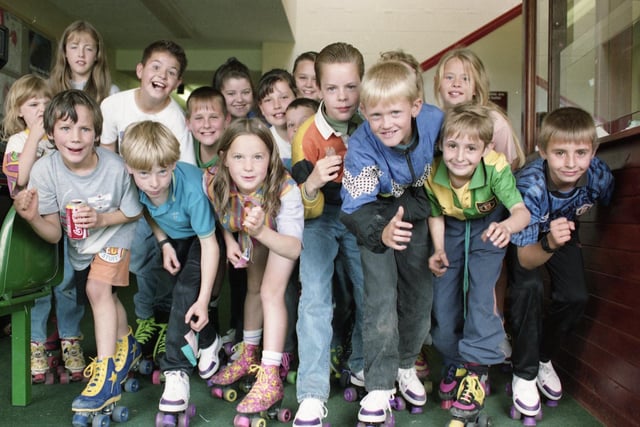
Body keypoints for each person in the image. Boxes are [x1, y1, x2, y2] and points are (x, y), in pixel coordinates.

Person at [13, 89, 142, 417]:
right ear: (51, 132)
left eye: (84, 129)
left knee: (96, 289)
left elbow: (132, 213)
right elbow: (55, 232)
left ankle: (106, 374)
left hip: (115, 231)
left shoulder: (115, 167)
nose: (75, 137)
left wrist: (100, 219)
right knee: (107, 298)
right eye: (65, 128)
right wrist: (32, 218)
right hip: (81, 245)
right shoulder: (44, 171)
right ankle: (127, 344)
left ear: (97, 134)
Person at [339, 60, 442, 424]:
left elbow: (467, 147)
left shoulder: (435, 122)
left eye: (396, 112)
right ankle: (379, 386)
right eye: (376, 115)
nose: (386, 124)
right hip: (376, 218)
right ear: (364, 112)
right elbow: (354, 208)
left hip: (417, 209)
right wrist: (380, 232)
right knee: (381, 298)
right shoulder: (363, 147)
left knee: (418, 295)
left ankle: (404, 363)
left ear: (415, 107)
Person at [425, 103, 531, 422]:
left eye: (471, 148)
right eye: (452, 145)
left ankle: (475, 373)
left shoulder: (496, 168)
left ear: (485, 149)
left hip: (490, 227)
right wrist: (438, 250)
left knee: (481, 295)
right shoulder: (433, 173)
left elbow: (521, 213)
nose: (460, 156)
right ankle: (455, 361)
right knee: (443, 304)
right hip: (452, 228)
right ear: (441, 144)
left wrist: (506, 227)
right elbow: (435, 215)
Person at [507, 107, 614, 418]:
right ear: (542, 152)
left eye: (581, 152)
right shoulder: (530, 186)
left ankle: (542, 357)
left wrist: (565, 238)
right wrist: (549, 242)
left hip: (562, 228)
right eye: (560, 153)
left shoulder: (599, 176)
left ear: (594, 151)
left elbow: (610, 207)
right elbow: (526, 260)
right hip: (523, 233)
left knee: (575, 296)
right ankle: (524, 374)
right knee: (528, 289)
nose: (571, 163)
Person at [120, 120, 223, 417]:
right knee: (169, 292)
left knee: (185, 293)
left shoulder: (191, 189)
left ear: (174, 164)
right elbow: (146, 210)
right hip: (174, 237)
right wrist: (163, 242)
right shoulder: (132, 186)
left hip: (203, 239)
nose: (154, 182)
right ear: (129, 168)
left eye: (162, 172)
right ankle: (208, 339)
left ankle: (175, 371)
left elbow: (210, 246)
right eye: (144, 174)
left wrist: (204, 302)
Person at [100, 39, 194, 361]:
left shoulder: (176, 120)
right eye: (156, 67)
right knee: (140, 261)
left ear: (177, 83)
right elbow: (108, 156)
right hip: (126, 197)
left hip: (163, 198)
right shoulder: (113, 106)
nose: (162, 76)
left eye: (171, 72)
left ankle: (164, 319)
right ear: (140, 70)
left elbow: (183, 172)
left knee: (165, 258)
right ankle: (144, 320)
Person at [205, 118, 303, 419]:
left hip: (279, 235)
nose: (248, 167)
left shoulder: (287, 190)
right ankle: (248, 355)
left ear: (271, 158)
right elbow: (220, 213)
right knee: (252, 288)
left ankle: (270, 375)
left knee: (271, 293)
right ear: (224, 159)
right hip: (252, 231)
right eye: (238, 157)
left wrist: (260, 233)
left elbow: (292, 247)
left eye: (258, 157)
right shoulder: (212, 179)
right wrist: (230, 240)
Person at [290, 41, 365, 427]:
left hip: (360, 216)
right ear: (317, 89)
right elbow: (301, 206)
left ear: (362, 85)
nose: (342, 97)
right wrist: (314, 184)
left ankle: (361, 367)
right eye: (333, 88)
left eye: (351, 86)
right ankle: (312, 394)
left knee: (370, 291)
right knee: (316, 299)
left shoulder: (371, 124)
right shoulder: (306, 135)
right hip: (318, 217)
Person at [1, 74, 88, 382]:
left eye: (46, 102)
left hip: (63, 223)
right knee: (37, 288)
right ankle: (36, 345)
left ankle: (70, 341)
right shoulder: (18, 141)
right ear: (18, 111)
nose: (40, 108)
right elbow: (19, 180)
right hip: (33, 227)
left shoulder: (60, 139)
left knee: (66, 285)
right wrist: (36, 138)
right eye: (32, 103)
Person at [433, 48, 525, 171]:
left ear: (476, 87)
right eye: (449, 77)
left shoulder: (495, 122)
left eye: (465, 78)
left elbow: (508, 166)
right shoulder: (433, 119)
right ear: (438, 83)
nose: (456, 83)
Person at [49, 20, 118, 105]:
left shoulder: (111, 92)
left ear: (97, 55)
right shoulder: (48, 89)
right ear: (65, 52)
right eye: (74, 47)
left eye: (88, 49)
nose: (81, 54)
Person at [256, 68, 297, 170]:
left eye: (284, 97)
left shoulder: (312, 135)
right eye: (268, 100)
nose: (277, 105)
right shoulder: (262, 143)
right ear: (261, 108)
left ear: (297, 97)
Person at [186, 86, 231, 169]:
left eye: (213, 117)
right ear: (188, 123)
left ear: (227, 120)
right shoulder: (186, 147)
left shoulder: (233, 154)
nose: (207, 125)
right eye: (199, 118)